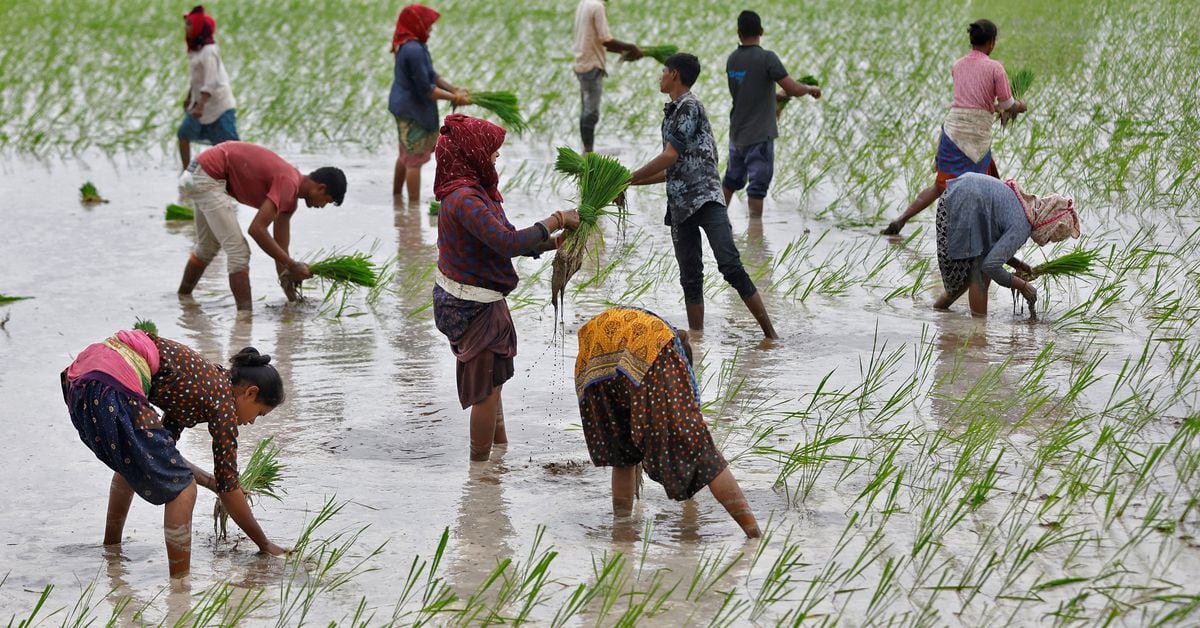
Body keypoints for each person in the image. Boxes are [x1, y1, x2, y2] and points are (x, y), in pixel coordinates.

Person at [61, 330, 289, 579]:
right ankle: (180, 587)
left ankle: (111, 550)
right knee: (183, 488)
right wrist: (265, 544)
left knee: (134, 459)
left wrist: (213, 484)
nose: (253, 422)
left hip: (84, 378)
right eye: (259, 414)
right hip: (113, 383)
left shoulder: (203, 384)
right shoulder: (224, 404)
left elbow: (162, 456)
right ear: (250, 393)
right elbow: (229, 487)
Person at [432, 114, 580, 461]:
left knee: (492, 380)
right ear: (473, 152)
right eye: (492, 150)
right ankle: (480, 472)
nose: (496, 156)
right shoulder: (464, 199)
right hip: (469, 304)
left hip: (478, 298)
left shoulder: (478, 192)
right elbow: (505, 242)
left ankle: (499, 454)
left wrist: (552, 243)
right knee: (485, 390)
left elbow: (510, 237)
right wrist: (557, 218)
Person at [575, 307, 760, 537]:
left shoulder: (665, 335)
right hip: (640, 343)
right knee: (702, 450)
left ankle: (621, 530)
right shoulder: (670, 351)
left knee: (622, 455)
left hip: (593, 348)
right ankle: (754, 535)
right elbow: (691, 421)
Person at [629, 53, 778, 339]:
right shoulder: (672, 111)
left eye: (663, 71)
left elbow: (669, 156)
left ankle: (771, 336)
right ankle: (697, 341)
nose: (660, 76)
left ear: (674, 74)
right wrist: (628, 184)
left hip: (707, 199)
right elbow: (674, 168)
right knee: (690, 278)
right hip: (680, 205)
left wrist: (631, 176)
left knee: (730, 265)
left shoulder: (689, 106)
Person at [882, 19, 1026, 236]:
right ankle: (990, 237)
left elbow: (971, 101)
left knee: (941, 186)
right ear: (991, 43)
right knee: (987, 188)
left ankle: (901, 219)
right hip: (977, 136)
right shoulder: (996, 68)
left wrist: (993, 107)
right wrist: (1021, 106)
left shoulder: (957, 65)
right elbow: (1007, 104)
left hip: (953, 131)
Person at [176, 141, 347, 310]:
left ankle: (183, 299)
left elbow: (280, 250)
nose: (322, 206)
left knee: (208, 246)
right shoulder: (289, 183)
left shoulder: (289, 201)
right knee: (239, 253)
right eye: (326, 201)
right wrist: (293, 265)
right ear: (320, 188)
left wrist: (293, 299)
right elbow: (257, 229)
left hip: (197, 172)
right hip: (208, 175)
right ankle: (244, 319)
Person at [933, 172, 1080, 318]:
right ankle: (979, 329)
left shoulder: (1026, 208)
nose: (1047, 241)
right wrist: (1023, 286)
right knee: (980, 274)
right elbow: (990, 266)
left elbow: (991, 249)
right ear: (1048, 225)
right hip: (963, 203)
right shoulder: (1022, 225)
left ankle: (940, 310)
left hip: (957, 195)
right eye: (1050, 237)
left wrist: (1018, 265)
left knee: (968, 274)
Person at [722, 10, 821, 218]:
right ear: (762, 31)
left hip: (737, 133)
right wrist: (809, 89)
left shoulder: (732, 60)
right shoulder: (767, 58)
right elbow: (793, 88)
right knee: (757, 186)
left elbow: (749, 91)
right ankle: (755, 232)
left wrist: (779, 96)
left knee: (731, 181)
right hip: (760, 135)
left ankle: (717, 220)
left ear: (739, 33)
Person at [389, 4, 470, 201]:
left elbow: (431, 75)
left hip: (405, 106)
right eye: (428, 26)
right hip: (411, 110)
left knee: (405, 154)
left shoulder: (415, 45)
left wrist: (454, 89)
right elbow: (426, 90)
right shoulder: (413, 50)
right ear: (417, 25)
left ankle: (397, 199)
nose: (431, 30)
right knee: (414, 161)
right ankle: (413, 209)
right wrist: (455, 98)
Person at [572, 0, 642, 153]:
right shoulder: (597, 6)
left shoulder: (584, 3)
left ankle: (586, 151)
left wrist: (625, 51)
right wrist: (630, 47)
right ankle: (588, 153)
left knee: (586, 110)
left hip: (581, 63)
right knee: (591, 113)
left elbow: (599, 41)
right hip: (592, 65)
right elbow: (605, 39)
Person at [177, 5, 238, 171]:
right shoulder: (195, 50)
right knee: (183, 134)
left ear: (198, 28)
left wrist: (200, 105)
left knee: (231, 148)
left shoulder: (209, 51)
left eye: (190, 24)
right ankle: (186, 173)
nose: (186, 28)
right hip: (200, 105)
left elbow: (211, 81)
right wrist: (190, 97)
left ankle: (237, 177)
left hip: (219, 106)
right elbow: (197, 78)